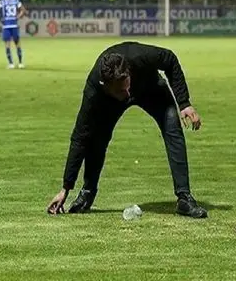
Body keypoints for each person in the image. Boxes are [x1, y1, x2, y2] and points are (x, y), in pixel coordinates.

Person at [46, 42, 208, 219]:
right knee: (97, 139)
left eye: (127, 85)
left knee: (173, 129)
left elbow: (170, 59)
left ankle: (184, 198)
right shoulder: (94, 91)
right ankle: (87, 192)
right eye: (120, 89)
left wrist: (184, 103)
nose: (127, 92)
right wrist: (66, 188)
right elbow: (79, 137)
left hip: (150, 89)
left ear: (128, 73)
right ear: (105, 85)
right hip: (112, 103)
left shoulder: (140, 56)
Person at [0, 0, 26, 69]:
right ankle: (20, 63)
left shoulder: (2, 2)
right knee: (17, 44)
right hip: (14, 25)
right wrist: (17, 17)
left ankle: (11, 63)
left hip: (6, 26)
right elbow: (23, 10)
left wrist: (1, 19)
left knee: (7, 45)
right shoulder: (16, 1)